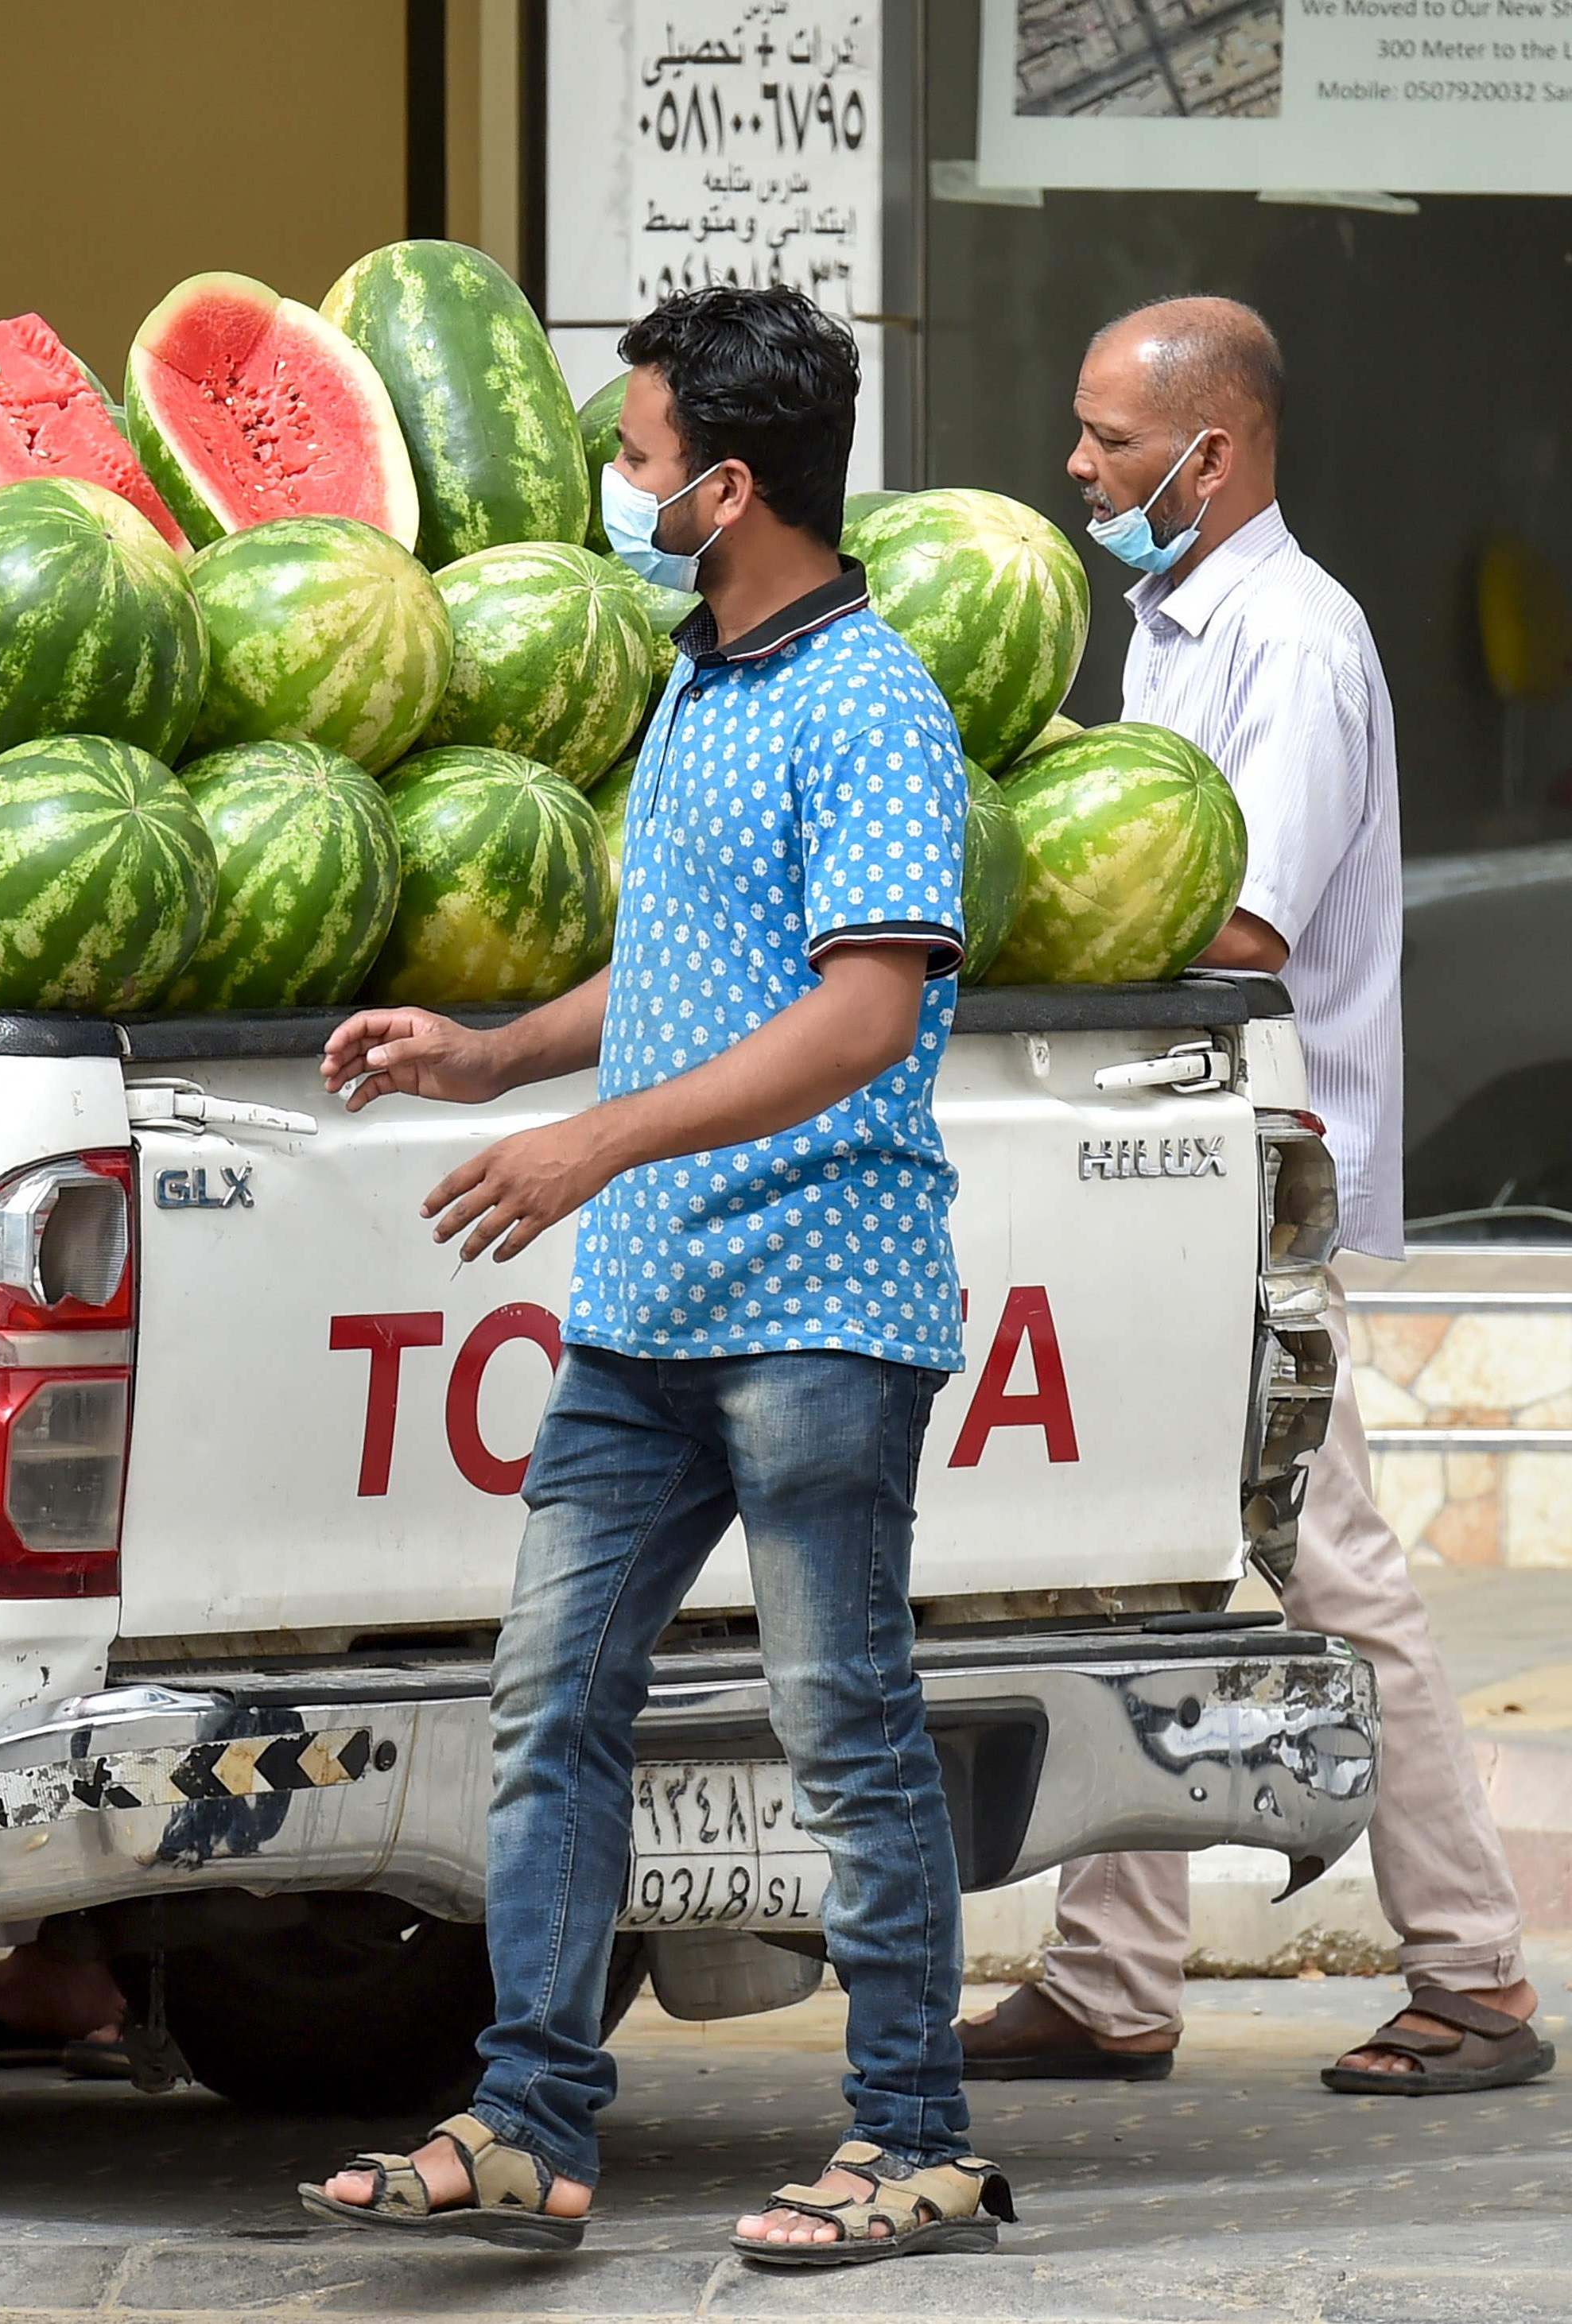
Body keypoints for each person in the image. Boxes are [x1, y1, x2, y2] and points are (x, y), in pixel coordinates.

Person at [296, 285, 1011, 2268]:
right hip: (645, 1306)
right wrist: (494, 1049)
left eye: (630, 459)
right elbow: (694, 960)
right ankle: (528, 2115)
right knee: (548, 1703)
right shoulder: (699, 678)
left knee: (840, 1720)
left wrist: (589, 1140)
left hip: (813, 1305)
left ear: (725, 481)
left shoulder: (872, 700)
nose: (613, 488)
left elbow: (860, 1009)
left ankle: (912, 2136)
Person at [957, 298, 1550, 2097]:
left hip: (1241, 1168)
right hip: (1157, 1158)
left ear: (1207, 456)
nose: (1077, 470)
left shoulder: (1291, 642)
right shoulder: (1169, 629)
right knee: (1130, 1556)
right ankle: (1112, 1973)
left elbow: (1237, 927)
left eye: (1109, 443)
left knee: (1329, 1569)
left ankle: (1473, 1978)